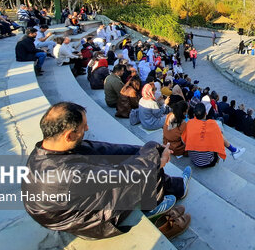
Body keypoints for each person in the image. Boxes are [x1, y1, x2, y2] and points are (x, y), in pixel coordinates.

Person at [22, 102, 192, 240]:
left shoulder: (52, 148)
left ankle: (167, 190)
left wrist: (152, 149)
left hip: (77, 197)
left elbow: (107, 149)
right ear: (69, 135)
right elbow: (126, 176)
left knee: (148, 158)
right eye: (84, 126)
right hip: (89, 218)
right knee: (144, 170)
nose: (87, 129)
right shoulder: (61, 174)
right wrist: (155, 159)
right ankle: (156, 203)